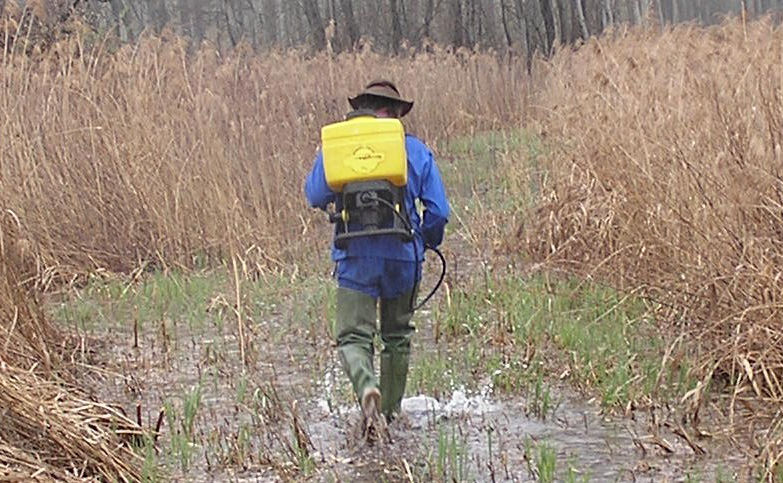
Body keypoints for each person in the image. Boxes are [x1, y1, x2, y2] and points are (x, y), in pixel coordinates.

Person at [304, 80, 450, 428]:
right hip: (403, 255)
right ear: (397, 112)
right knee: (397, 337)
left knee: (353, 336)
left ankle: (367, 387)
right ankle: (390, 414)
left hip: (355, 256)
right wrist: (425, 241)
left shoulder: (337, 146)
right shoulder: (414, 150)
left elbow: (313, 195)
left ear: (363, 108)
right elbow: (439, 211)